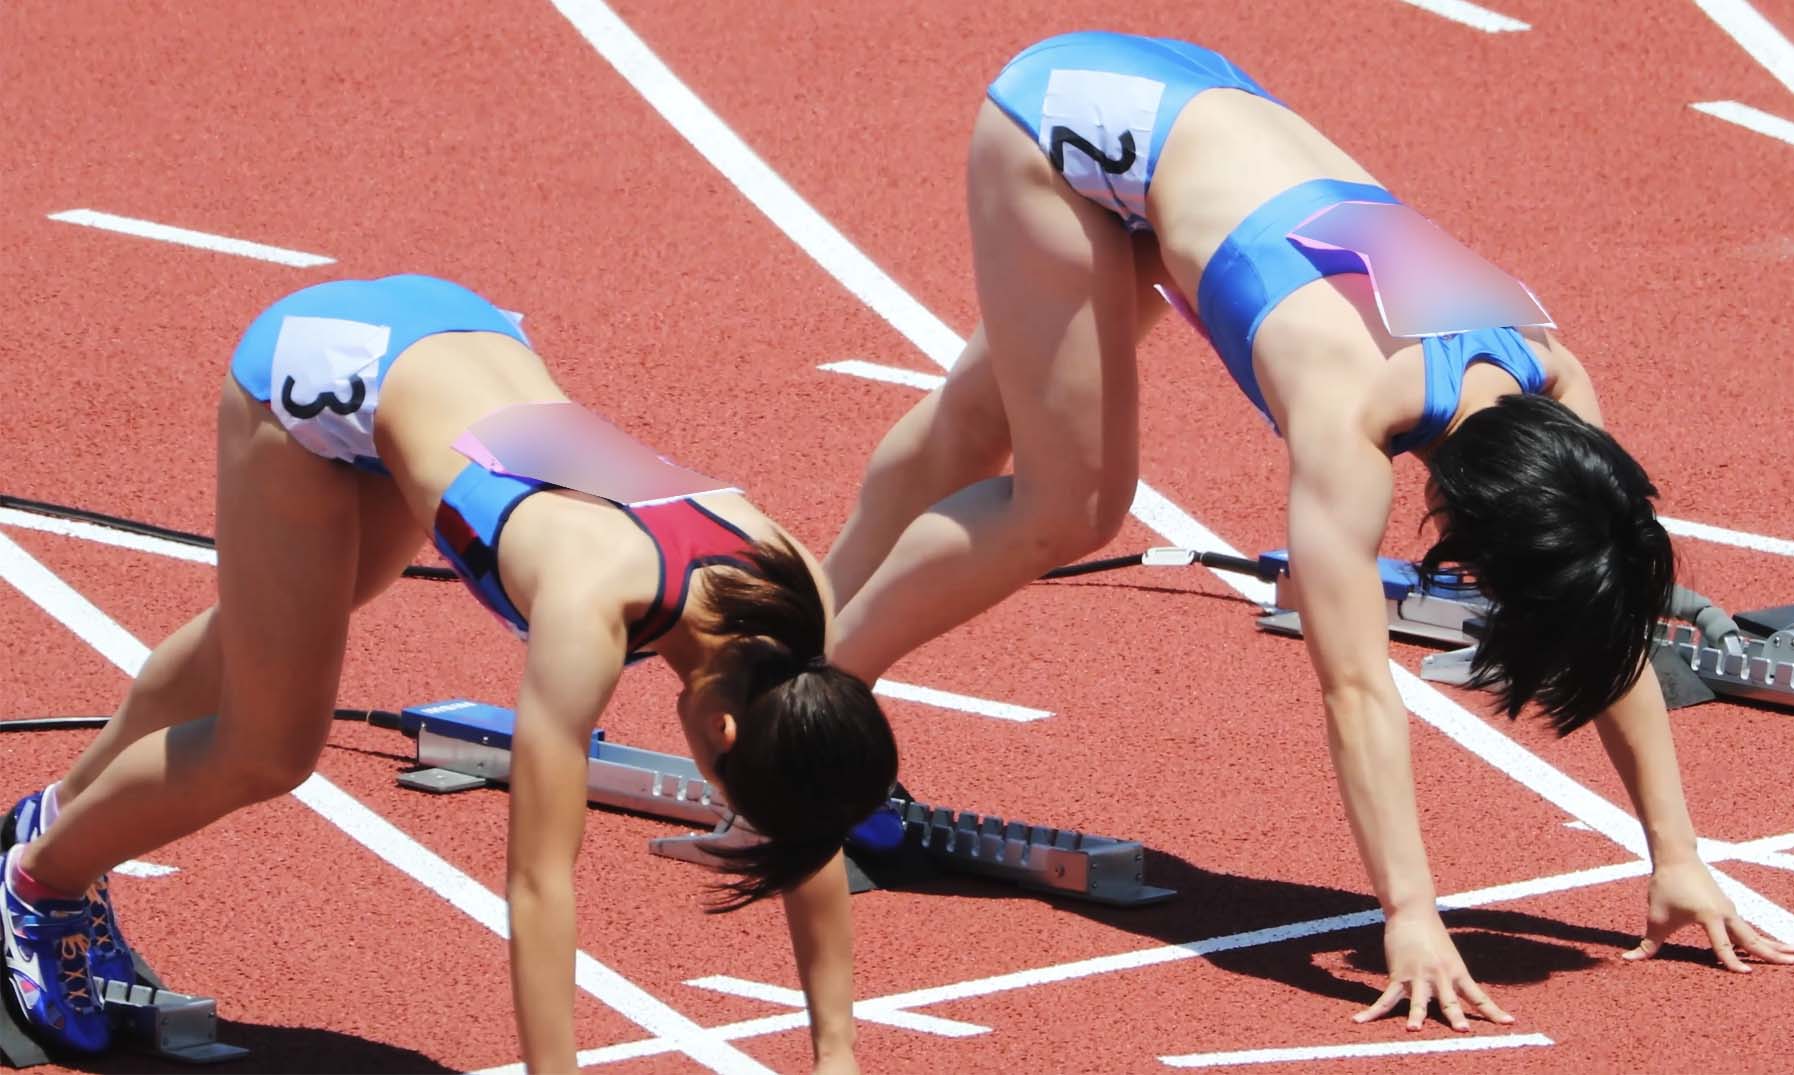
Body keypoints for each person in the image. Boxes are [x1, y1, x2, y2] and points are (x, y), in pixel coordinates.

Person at [821, 31, 1792, 1031]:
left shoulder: (1554, 378)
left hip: (1196, 104)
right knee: (1069, 504)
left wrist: (1676, 855)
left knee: (984, 420)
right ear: (1460, 530)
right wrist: (1408, 911)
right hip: (1067, 128)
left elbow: (1598, 594)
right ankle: (810, 706)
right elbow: (1356, 683)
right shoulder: (1349, 413)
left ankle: (810, 602)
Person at [0, 273, 895, 1073]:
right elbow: (542, 880)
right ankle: (39, 881)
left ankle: (70, 802)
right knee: (269, 749)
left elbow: (805, 808)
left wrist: (837, 1052)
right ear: (721, 732)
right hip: (320, 370)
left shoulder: (793, 591)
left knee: (282, 624)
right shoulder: (587, 613)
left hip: (452, 332)